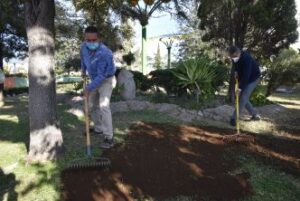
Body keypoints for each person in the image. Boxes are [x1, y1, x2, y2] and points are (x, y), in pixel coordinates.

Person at [81, 26, 116, 149]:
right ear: (85, 38)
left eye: (93, 40)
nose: (90, 43)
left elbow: (101, 76)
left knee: (103, 106)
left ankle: (109, 137)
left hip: (106, 80)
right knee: (91, 105)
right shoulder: (83, 47)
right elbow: (83, 59)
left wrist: (88, 89)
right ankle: (98, 128)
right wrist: (83, 70)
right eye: (88, 40)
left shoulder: (105, 53)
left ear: (99, 39)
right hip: (93, 79)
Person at [228, 46, 261, 126]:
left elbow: (246, 76)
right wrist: (236, 72)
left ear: (238, 53)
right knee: (242, 98)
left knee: (243, 97)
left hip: (253, 79)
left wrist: (239, 88)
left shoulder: (247, 59)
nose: (233, 59)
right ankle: (255, 115)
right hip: (244, 78)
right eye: (231, 57)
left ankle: (234, 118)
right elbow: (236, 65)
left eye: (234, 57)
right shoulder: (235, 57)